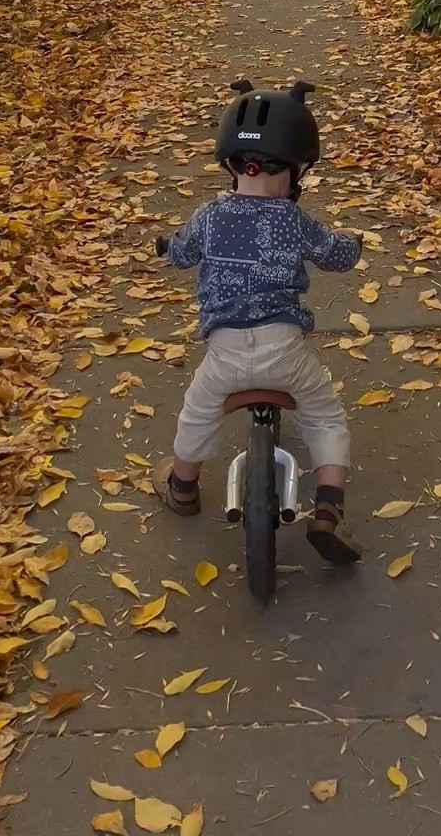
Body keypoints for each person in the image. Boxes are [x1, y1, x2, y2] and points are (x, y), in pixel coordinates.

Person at [153, 79, 363, 565]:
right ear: (297, 168)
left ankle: (182, 486)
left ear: (230, 164)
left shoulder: (209, 216)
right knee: (325, 417)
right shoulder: (295, 221)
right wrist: (352, 244)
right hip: (286, 350)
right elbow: (336, 255)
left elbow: (181, 254)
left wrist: (166, 246)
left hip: (224, 355)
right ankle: (328, 510)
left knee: (197, 413)